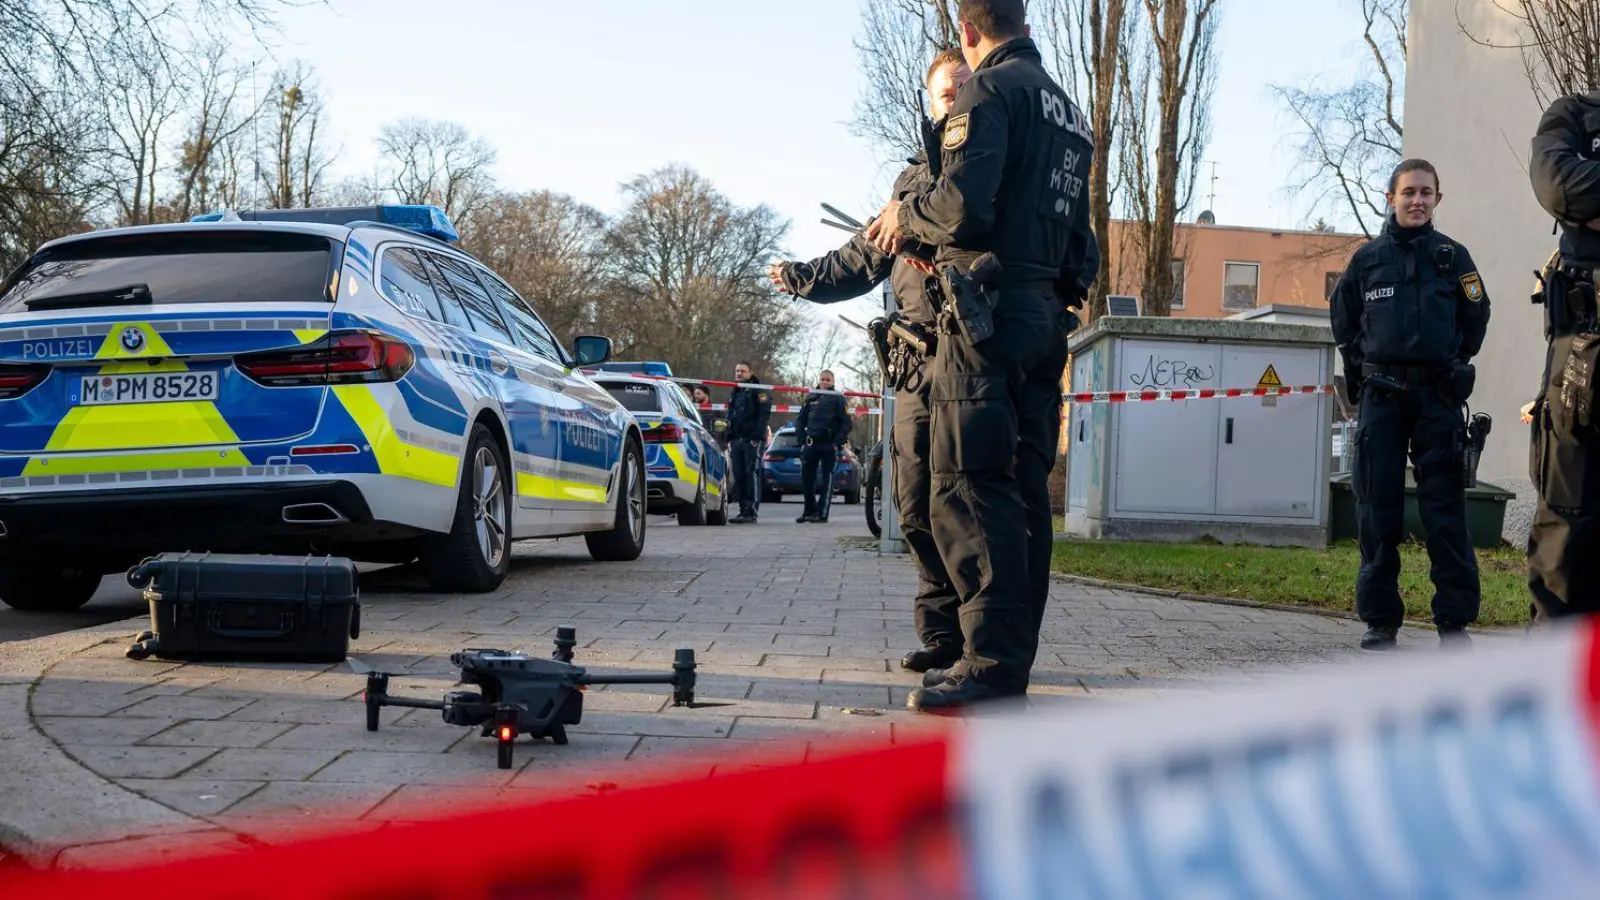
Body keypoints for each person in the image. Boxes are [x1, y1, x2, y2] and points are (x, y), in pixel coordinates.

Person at [863, 0, 1096, 711]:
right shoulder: (1069, 112)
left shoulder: (987, 91)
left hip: (984, 318)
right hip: (1041, 315)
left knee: (966, 483)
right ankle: (1008, 657)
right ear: (1025, 19)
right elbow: (1078, 234)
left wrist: (905, 216)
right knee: (1024, 490)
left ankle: (989, 662)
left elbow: (963, 208)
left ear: (969, 30)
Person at [769, 47, 970, 676]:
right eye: (947, 94)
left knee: (961, 504)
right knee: (912, 507)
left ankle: (981, 638)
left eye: (966, 90)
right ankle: (942, 634)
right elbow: (860, 258)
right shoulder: (909, 182)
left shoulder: (990, 167)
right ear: (930, 102)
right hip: (913, 366)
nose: (958, 103)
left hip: (971, 360)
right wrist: (801, 277)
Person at [1329, 159, 1491, 650]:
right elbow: (1344, 320)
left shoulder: (1454, 258)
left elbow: (1477, 314)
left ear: (1437, 199)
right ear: (1390, 198)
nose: (1417, 200)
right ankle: (1381, 620)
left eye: (1426, 192)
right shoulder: (1366, 260)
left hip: (1437, 398)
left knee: (1445, 513)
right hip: (1382, 398)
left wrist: (1454, 359)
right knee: (1377, 511)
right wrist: (1363, 367)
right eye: (1408, 192)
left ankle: (1454, 624)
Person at [1527, 90, 1600, 623]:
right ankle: (1554, 682)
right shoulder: (1572, 115)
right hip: (1582, 350)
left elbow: (1581, 191)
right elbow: (1557, 186)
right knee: (1567, 513)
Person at [793, 370, 852, 523]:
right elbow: (800, 420)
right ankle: (808, 511)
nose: (825, 382)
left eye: (828, 380)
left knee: (827, 479)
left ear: (833, 381)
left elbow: (846, 423)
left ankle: (822, 513)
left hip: (829, 444)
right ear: (819, 381)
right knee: (807, 479)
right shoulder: (811, 397)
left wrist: (837, 442)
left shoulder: (838, 398)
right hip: (811, 443)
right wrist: (801, 438)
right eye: (822, 379)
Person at [725, 361, 772, 525]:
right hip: (737, 439)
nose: (739, 373)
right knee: (739, 476)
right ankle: (743, 510)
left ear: (750, 372)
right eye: (737, 371)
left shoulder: (759, 390)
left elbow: (763, 415)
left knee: (751, 473)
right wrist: (729, 436)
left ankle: (751, 511)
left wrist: (756, 436)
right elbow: (730, 414)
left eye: (742, 371)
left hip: (752, 440)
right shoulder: (736, 391)